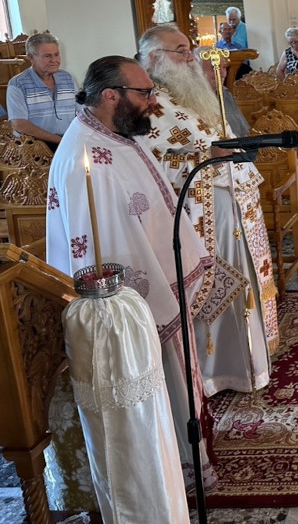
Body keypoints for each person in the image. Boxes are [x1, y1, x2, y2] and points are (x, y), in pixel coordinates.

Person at [45, 54, 217, 491]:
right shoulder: (87, 157)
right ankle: (166, 477)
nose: (151, 100)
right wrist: (156, 293)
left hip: (154, 291)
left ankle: (183, 462)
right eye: (144, 92)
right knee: (154, 386)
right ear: (110, 95)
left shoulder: (116, 135)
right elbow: (105, 244)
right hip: (129, 312)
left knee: (173, 381)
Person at [138, 26, 278, 396]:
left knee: (246, 280)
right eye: (180, 51)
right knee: (216, 284)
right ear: (153, 58)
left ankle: (252, 364)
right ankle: (217, 372)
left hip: (236, 202)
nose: (190, 57)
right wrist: (205, 157)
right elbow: (149, 169)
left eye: (188, 49)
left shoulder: (193, 94)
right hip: (202, 214)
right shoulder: (149, 108)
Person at [6, 32, 78, 147]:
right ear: (31, 57)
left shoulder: (67, 78)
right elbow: (19, 125)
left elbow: (82, 113)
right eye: (47, 56)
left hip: (67, 141)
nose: (54, 60)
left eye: (56, 54)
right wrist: (60, 141)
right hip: (34, 146)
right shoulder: (17, 84)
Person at [196, 45, 251, 137]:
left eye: (224, 68)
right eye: (214, 68)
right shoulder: (190, 100)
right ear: (197, 70)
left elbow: (244, 131)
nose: (222, 74)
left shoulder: (224, 93)